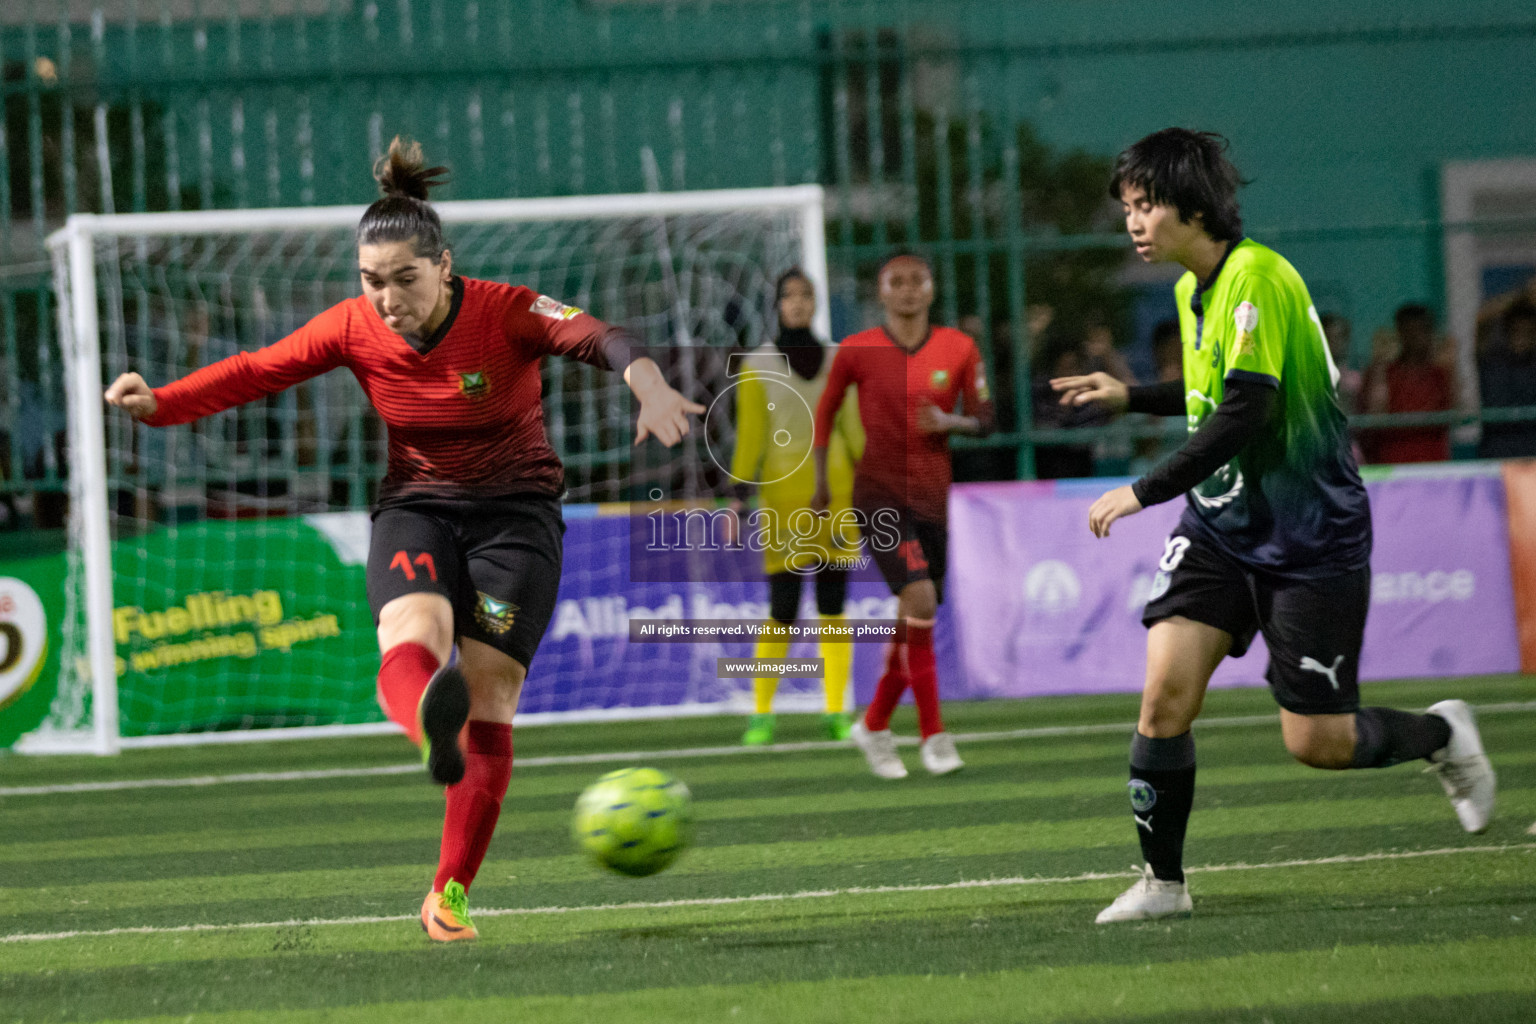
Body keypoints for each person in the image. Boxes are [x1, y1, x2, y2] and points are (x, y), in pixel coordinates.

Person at [103, 137, 703, 942]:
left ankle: (447, 893)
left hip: (516, 519)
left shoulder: (506, 310)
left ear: (445, 265)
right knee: (411, 633)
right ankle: (427, 721)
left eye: (404, 279)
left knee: (490, 694)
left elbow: (605, 339)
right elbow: (257, 369)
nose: (386, 299)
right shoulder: (353, 328)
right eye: (371, 281)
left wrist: (650, 382)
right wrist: (162, 402)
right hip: (416, 506)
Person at [1051, 128, 1495, 923]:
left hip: (1308, 538)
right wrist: (1132, 396)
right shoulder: (1197, 291)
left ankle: (1440, 735)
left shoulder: (1258, 277)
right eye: (1127, 208)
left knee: (1315, 742)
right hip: (1222, 526)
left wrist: (1143, 490)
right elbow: (1207, 389)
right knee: (1162, 702)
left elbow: (1248, 408)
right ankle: (1163, 883)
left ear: (1191, 204)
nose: (1133, 222)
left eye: (1144, 205)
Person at [811, 252, 995, 778]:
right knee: (921, 598)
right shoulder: (857, 349)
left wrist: (949, 421)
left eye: (918, 280)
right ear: (882, 292)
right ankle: (934, 736)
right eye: (898, 282)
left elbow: (986, 419)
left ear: (932, 289)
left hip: (933, 499)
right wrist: (824, 482)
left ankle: (872, 724)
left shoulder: (958, 347)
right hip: (878, 495)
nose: (909, 290)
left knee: (912, 618)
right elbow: (824, 414)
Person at [728, 268, 864, 744]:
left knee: (832, 606)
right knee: (782, 607)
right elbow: (750, 439)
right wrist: (737, 496)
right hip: (783, 499)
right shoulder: (756, 365)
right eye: (790, 296)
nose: (799, 303)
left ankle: (836, 710)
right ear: (777, 305)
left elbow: (853, 430)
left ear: (816, 303)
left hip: (838, 496)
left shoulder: (838, 358)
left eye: (807, 295)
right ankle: (762, 712)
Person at [1360, 303, 1455, 463]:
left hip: (1433, 461)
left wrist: (1453, 368)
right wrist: (1379, 366)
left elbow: (1456, 411)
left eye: (1422, 330)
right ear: (1399, 332)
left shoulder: (1439, 374)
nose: (1416, 337)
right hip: (1393, 461)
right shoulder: (1383, 373)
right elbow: (1375, 415)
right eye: (1410, 331)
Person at [1477, 298, 1536, 458]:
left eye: (1528, 332)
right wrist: (1522, 293)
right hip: (1498, 453)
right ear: (1506, 333)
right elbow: (1482, 319)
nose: (1521, 338)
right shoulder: (1491, 362)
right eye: (1516, 331)